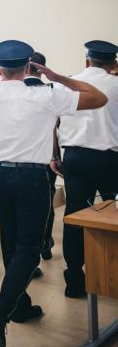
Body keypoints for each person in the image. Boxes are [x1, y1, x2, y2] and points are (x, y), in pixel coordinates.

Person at [0, 40, 106, 347]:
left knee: (10, 243)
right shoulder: (48, 94)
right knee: (29, 248)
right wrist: (56, 77)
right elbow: (98, 97)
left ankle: (21, 306)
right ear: (30, 67)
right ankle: (0, 312)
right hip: (32, 177)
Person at [57, 40, 118, 298]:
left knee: (75, 214)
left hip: (76, 157)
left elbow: (54, 121)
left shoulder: (66, 84)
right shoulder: (117, 84)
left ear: (87, 60)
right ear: (113, 63)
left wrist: (53, 155)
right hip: (110, 159)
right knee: (114, 214)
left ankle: (74, 277)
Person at [22, 52, 56, 267]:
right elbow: (54, 128)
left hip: (19, 159)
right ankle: (45, 241)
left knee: (22, 209)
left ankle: (28, 257)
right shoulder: (51, 93)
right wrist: (55, 155)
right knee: (46, 204)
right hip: (44, 157)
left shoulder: (12, 93)